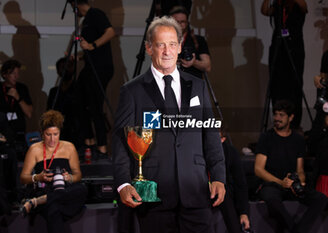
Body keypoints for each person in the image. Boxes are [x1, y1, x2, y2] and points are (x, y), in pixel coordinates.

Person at [112, 16, 226, 233]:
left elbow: (210, 135)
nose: (167, 51)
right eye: (160, 45)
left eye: (172, 44)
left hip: (196, 192)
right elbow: (120, 141)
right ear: (148, 48)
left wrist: (219, 176)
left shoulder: (198, 86)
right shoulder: (132, 91)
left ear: (180, 46)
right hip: (154, 195)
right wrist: (123, 184)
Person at [254, 100, 327, 233]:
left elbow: (300, 170)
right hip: (273, 184)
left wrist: (300, 181)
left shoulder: (298, 140)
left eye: (281, 115)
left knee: (320, 198)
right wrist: (281, 182)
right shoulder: (267, 137)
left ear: (291, 117)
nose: (277, 118)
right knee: (272, 201)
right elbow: (258, 169)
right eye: (275, 114)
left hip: (292, 183)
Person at [19, 110, 87, 233]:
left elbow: (78, 175)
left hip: (64, 190)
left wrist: (69, 178)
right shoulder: (34, 149)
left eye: (55, 134)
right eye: (48, 134)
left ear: (60, 132)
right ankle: (41, 199)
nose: (52, 139)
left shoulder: (69, 147)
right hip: (45, 189)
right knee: (54, 209)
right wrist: (38, 177)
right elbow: (23, 177)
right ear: (42, 134)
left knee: (81, 189)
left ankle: (37, 201)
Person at [68, 0, 115, 159]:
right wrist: (80, 56)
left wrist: (92, 45)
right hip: (91, 66)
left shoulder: (95, 14)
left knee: (95, 104)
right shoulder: (86, 20)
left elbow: (110, 32)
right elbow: (89, 49)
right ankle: (89, 140)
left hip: (101, 68)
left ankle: (102, 146)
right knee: (78, 100)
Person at [261, 0, 308, 129]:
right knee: (276, 86)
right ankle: (278, 120)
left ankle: (294, 123)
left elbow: (304, 7)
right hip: (278, 47)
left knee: (294, 86)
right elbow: (265, 11)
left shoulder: (297, 5)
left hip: (294, 47)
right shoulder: (278, 5)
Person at [0, 59, 33, 160]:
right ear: (4, 74)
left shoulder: (22, 88)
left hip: (18, 135)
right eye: (13, 73)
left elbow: (29, 113)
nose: (16, 76)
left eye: (18, 73)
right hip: (2, 136)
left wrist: (18, 97)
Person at [47, 57, 82, 150]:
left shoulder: (79, 89)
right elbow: (49, 112)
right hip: (58, 133)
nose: (64, 70)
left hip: (76, 134)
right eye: (61, 68)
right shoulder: (54, 92)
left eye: (67, 67)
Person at [219, 130, 251, 232]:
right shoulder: (197, 150)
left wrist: (243, 212)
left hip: (224, 192)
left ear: (223, 139)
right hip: (200, 190)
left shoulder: (230, 152)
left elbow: (240, 183)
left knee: (224, 191)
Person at [169, 6, 211, 79]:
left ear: (187, 23)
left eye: (182, 22)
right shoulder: (164, 40)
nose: (179, 24)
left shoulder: (198, 40)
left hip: (192, 84)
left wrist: (194, 62)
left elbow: (207, 66)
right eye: (176, 22)